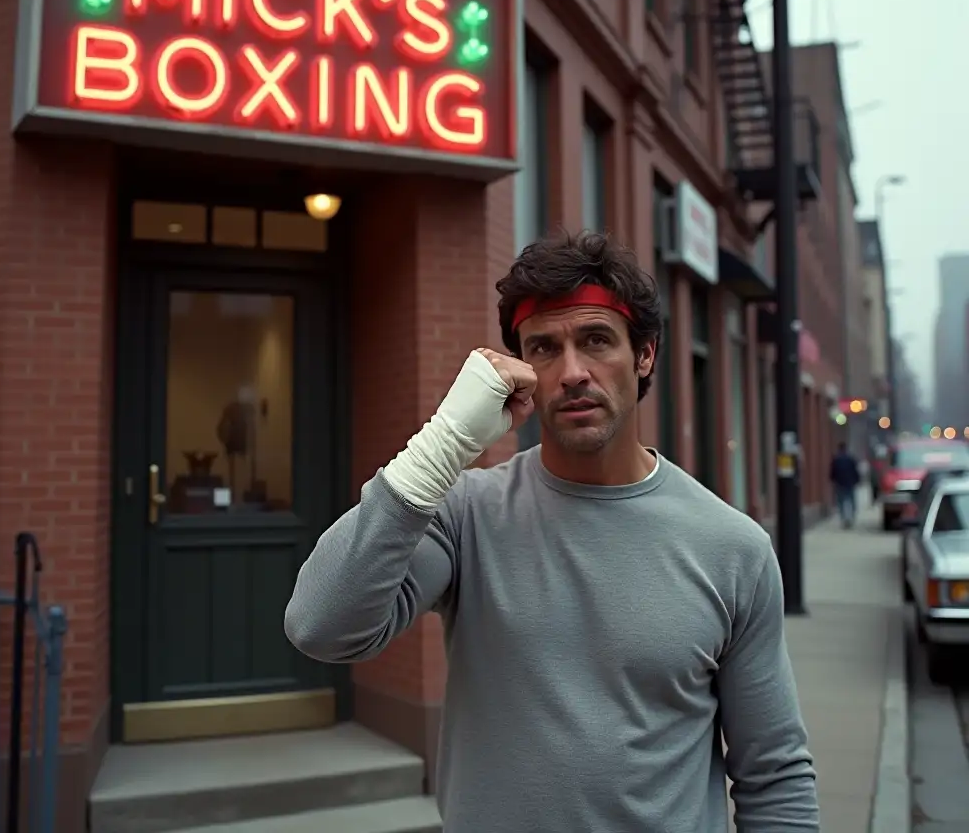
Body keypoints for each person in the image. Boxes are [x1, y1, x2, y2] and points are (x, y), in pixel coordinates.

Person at [284, 231, 819, 833]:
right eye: (543, 348)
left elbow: (774, 779)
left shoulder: (732, 547)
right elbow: (319, 626)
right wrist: (441, 447)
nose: (571, 372)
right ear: (522, 370)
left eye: (596, 340)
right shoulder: (467, 514)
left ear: (644, 355)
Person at [829, 440, 861, 529]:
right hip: (850, 483)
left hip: (839, 483)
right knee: (851, 501)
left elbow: (832, 472)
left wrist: (832, 480)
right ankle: (851, 517)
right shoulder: (851, 458)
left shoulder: (836, 459)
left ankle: (844, 518)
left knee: (841, 502)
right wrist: (857, 480)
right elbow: (856, 471)